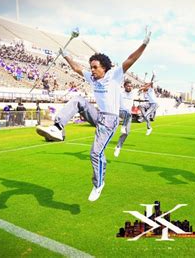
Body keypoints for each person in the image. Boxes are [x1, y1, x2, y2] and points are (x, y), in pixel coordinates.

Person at [36, 28, 151, 201]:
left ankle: (99, 184)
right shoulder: (92, 77)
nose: (92, 70)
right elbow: (76, 68)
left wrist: (144, 44)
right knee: (78, 100)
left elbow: (131, 59)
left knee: (95, 153)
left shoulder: (114, 75)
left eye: (95, 67)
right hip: (98, 115)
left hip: (110, 121)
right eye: (91, 67)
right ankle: (58, 127)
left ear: (104, 68)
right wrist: (66, 54)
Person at [114, 80, 137, 158]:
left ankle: (118, 147)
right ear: (124, 86)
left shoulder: (133, 93)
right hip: (120, 111)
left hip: (128, 115)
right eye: (128, 86)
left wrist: (153, 78)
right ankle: (123, 126)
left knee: (127, 133)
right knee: (127, 112)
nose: (129, 87)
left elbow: (144, 87)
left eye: (130, 86)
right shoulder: (120, 93)